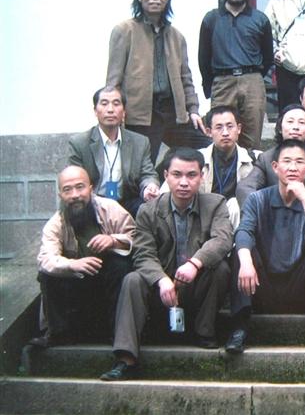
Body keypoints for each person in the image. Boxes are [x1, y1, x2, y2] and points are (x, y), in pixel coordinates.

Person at [101, 148, 232, 381]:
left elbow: (222, 240)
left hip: (196, 288)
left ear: (201, 176)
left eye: (191, 175)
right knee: (132, 279)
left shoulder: (215, 204)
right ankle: (126, 358)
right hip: (160, 293)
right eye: (177, 174)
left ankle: (204, 332)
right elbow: (143, 253)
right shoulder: (148, 211)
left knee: (220, 268)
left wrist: (195, 263)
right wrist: (161, 280)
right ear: (166, 176)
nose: (184, 182)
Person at [225, 139, 305, 353]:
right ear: (275, 167)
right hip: (262, 287)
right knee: (242, 250)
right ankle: (239, 328)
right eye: (287, 161)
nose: (292, 167)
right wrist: (245, 261)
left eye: (299, 162)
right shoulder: (257, 200)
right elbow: (244, 231)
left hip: (302, 288)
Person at [107, 0, 209, 162]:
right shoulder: (124, 31)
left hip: (174, 113)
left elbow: (186, 79)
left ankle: (166, 175)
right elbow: (113, 80)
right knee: (141, 166)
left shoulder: (176, 37)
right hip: (141, 114)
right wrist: (114, 111)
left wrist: (193, 110)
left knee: (208, 146)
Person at [32, 166, 134, 347]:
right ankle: (58, 335)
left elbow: (137, 237)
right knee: (47, 275)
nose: (75, 195)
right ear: (60, 195)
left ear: (91, 188)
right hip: (77, 287)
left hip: (107, 286)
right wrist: (72, 265)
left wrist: (113, 240)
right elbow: (45, 258)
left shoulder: (110, 208)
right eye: (67, 190)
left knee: (120, 265)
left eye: (80, 187)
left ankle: (117, 334)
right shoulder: (56, 223)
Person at [199, 0, 274, 150]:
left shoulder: (260, 19)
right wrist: (211, 86)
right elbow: (204, 57)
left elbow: (268, 56)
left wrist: (255, 77)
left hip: (252, 81)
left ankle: (250, 169)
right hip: (222, 82)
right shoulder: (211, 19)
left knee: (252, 138)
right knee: (223, 136)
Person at [68, 86, 160, 217]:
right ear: (95, 111)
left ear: (124, 112)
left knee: (151, 209)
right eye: (104, 103)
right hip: (94, 202)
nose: (110, 109)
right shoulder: (79, 143)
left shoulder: (140, 142)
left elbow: (148, 173)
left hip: (127, 201)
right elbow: (74, 179)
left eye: (116, 104)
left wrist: (149, 186)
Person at [160, 106, 254, 228]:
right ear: (209, 132)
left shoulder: (252, 160)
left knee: (235, 205)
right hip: (200, 215)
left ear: (239, 129)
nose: (225, 133)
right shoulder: (196, 158)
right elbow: (164, 192)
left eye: (230, 126)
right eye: (219, 127)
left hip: (233, 217)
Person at [235, 105, 305, 209]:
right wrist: (261, 208)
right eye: (290, 121)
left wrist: (303, 200)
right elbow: (246, 186)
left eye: (302, 122)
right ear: (280, 128)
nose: (296, 127)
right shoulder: (266, 158)